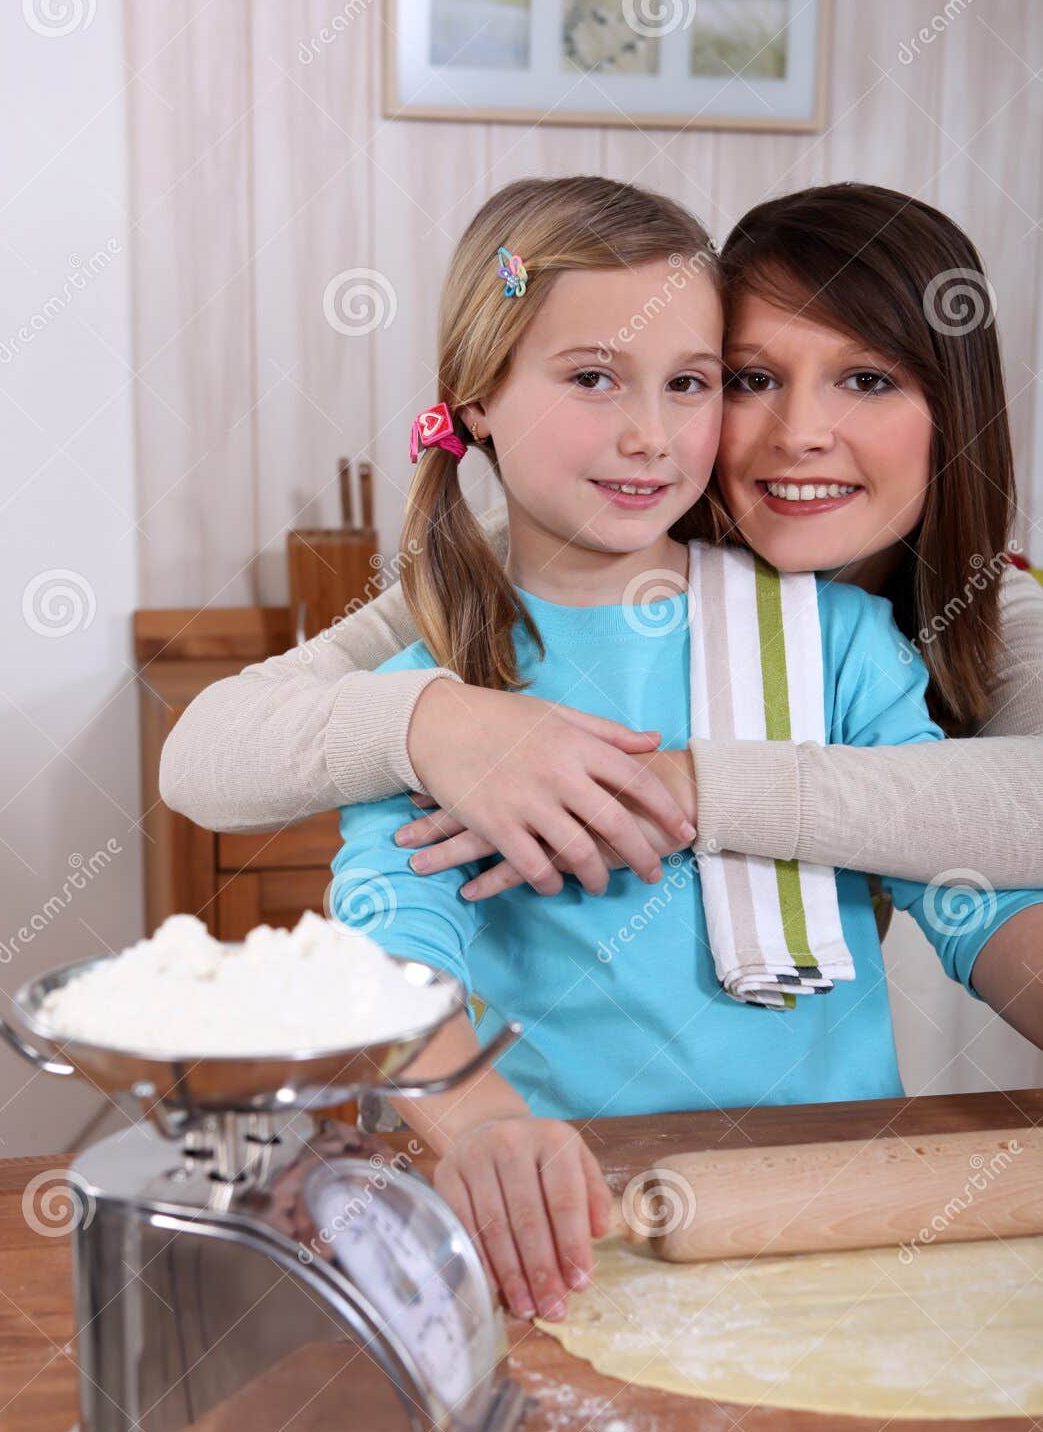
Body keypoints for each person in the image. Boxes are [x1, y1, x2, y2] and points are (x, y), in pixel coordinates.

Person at [312, 177, 1039, 1325]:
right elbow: (384, 943)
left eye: (690, 383)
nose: (647, 433)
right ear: (477, 397)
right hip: (572, 1219)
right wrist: (483, 1125)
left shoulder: (836, 642)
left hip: (828, 1208)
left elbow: (963, 893)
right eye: (592, 377)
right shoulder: (441, 697)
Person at [159, 184, 1043, 905]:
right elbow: (207, 754)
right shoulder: (541, 565)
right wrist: (428, 720)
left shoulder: (986, 606)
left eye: (868, 380)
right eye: (750, 379)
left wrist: (682, 786)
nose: (800, 432)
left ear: (954, 412)